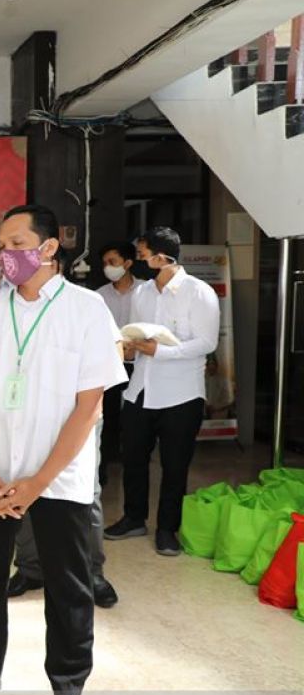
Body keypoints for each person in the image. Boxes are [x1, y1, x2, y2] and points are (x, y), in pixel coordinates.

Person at [0, 204, 126, 695]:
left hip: (60, 482)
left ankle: (68, 686)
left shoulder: (88, 311)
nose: (5, 256)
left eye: (16, 244)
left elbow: (89, 406)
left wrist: (37, 483)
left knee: (69, 585)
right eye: (0, 246)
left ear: (48, 248)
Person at [7, 245, 120, 610]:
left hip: (76, 419)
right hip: (24, 418)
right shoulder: (8, 307)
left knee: (83, 494)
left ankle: (92, 572)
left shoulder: (84, 305)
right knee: (22, 488)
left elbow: (112, 353)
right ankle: (30, 567)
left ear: (54, 261)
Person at [104, 227, 219, 556]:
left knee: (174, 464)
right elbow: (140, 334)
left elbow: (207, 342)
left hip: (181, 394)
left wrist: (161, 351)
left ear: (162, 256)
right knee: (133, 458)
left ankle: (168, 528)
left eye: (142, 255)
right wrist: (132, 346)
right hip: (140, 389)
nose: (139, 260)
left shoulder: (199, 292)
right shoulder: (143, 293)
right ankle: (133, 517)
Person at [95, 242, 145, 481]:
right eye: (105, 263)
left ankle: (133, 461)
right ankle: (104, 464)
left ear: (127, 263)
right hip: (110, 364)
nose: (108, 268)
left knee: (137, 417)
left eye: (113, 262)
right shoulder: (99, 295)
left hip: (142, 363)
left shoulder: (146, 291)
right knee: (108, 415)